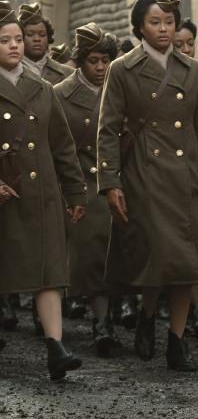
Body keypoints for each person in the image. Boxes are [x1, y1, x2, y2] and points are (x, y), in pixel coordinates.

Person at [96, 0, 198, 373]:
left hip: (186, 175)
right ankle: (147, 312)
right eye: (154, 22)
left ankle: (176, 339)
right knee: (161, 256)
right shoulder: (122, 70)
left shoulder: (193, 72)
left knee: (185, 264)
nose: (163, 29)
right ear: (139, 27)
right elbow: (107, 128)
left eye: (169, 21)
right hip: (144, 174)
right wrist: (111, 183)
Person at [0, 3, 88, 380]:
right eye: (4, 41)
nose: (14, 46)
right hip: (6, 198)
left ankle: (56, 346)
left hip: (42, 194)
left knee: (49, 271)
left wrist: (76, 194)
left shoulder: (43, 89)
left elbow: (62, 147)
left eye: (18, 39)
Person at [55, 24, 122, 357]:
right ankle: (102, 322)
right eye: (93, 61)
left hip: (122, 180)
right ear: (80, 62)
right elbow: (59, 148)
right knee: (95, 253)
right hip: (86, 181)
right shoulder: (61, 94)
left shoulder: (120, 87)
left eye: (105, 60)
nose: (100, 67)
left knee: (129, 250)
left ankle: (131, 314)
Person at [18, 3, 72, 85]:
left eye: (42, 35)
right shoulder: (9, 72)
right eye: (30, 34)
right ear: (19, 38)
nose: (37, 39)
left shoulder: (69, 74)